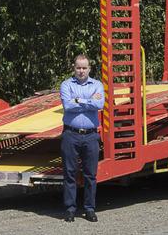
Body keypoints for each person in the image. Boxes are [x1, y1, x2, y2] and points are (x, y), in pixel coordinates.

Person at [59, 54, 104, 222]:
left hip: (91, 135)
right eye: (78, 67)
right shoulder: (66, 85)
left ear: (89, 69)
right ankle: (70, 209)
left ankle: (89, 209)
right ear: (74, 68)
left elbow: (99, 105)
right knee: (69, 173)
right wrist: (88, 101)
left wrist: (77, 99)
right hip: (70, 134)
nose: (81, 71)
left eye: (84, 68)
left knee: (90, 175)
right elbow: (68, 106)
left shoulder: (97, 85)